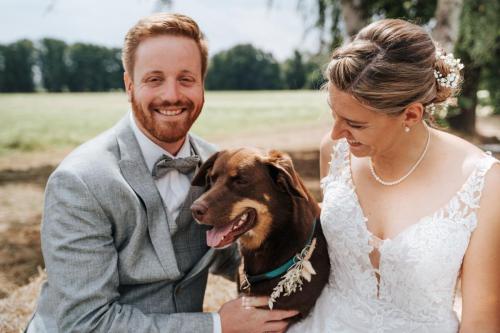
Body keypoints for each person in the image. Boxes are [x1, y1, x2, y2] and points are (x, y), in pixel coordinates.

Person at [25, 13, 297, 333]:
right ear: (129, 85)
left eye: (186, 79)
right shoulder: (80, 182)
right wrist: (216, 326)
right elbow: (84, 323)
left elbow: (243, 255)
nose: (172, 95)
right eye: (154, 79)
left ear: (202, 84)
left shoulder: (219, 166)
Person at [289, 19, 500, 332]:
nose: (336, 132)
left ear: (411, 115)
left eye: (355, 124)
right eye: (334, 115)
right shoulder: (334, 151)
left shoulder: (485, 184)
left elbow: (481, 320)